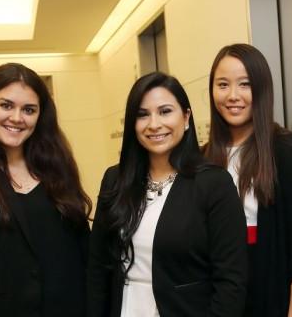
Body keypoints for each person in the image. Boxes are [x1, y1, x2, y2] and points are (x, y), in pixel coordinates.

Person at [87, 72, 247, 317]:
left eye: (165, 111)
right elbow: (98, 267)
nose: (154, 124)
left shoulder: (213, 184)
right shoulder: (115, 180)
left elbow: (231, 280)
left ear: (185, 117)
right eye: (142, 114)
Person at [0, 63, 91, 317]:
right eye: (6, 105)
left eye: (29, 109)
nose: (17, 118)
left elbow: (85, 253)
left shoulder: (59, 169)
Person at [204, 44, 292, 317]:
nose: (233, 95)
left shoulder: (286, 150)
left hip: (272, 298)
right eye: (223, 84)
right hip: (220, 301)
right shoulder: (203, 158)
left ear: (262, 89)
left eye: (245, 84)